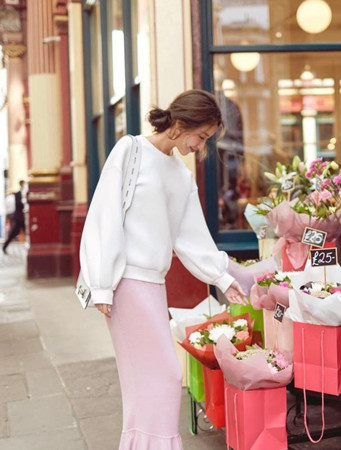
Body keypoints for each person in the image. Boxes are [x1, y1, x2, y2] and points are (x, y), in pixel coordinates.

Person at [79, 89, 247, 449]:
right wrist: (102, 284)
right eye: (200, 136)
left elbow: (191, 237)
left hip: (154, 285)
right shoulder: (131, 150)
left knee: (145, 382)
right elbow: (104, 216)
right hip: (126, 283)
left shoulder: (179, 175)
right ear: (181, 122)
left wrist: (222, 277)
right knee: (166, 376)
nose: (200, 147)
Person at [2, 180, 26, 255]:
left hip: (19, 216)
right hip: (19, 217)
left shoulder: (21, 193)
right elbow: (19, 205)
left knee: (17, 232)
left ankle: (5, 246)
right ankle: (5, 246)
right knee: (14, 232)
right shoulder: (18, 194)